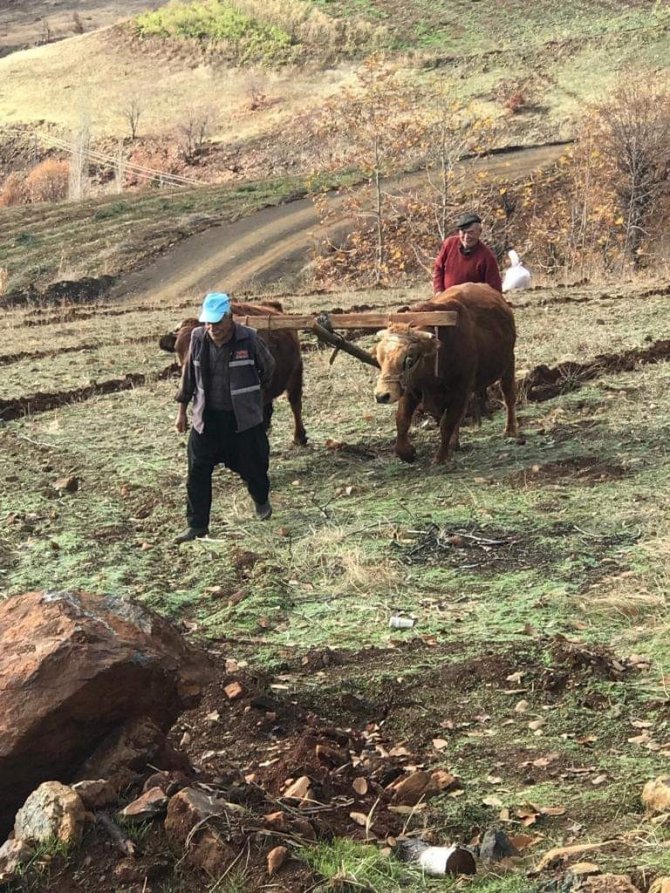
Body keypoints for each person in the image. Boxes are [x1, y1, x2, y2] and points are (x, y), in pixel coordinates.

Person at [174, 292, 276, 544]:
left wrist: (252, 399)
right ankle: (197, 525)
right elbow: (188, 377)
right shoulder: (198, 339)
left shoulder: (249, 339)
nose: (213, 328)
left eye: (218, 322)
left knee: (255, 468)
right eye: (208, 322)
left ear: (230, 318)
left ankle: (261, 500)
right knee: (197, 472)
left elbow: (269, 368)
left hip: (242, 422)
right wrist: (182, 412)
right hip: (206, 419)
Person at [432, 212, 502, 295]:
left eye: (470, 232)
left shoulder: (487, 257)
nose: (466, 237)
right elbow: (438, 268)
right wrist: (439, 290)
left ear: (479, 232)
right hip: (446, 297)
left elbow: (495, 290)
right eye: (463, 232)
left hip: (471, 304)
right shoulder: (449, 244)